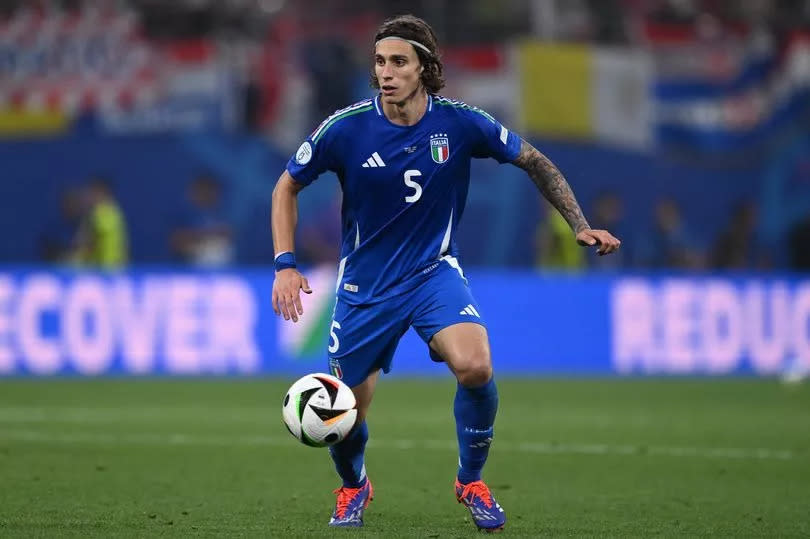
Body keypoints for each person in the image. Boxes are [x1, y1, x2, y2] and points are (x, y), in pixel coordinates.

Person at [271, 14, 620, 532]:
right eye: (380, 62)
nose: (385, 73)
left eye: (398, 62)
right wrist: (285, 265)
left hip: (434, 274)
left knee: (476, 366)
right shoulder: (346, 128)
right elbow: (286, 187)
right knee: (344, 415)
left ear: (425, 69)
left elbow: (536, 162)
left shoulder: (460, 123)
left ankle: (471, 481)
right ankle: (353, 488)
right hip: (366, 288)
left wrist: (580, 224)